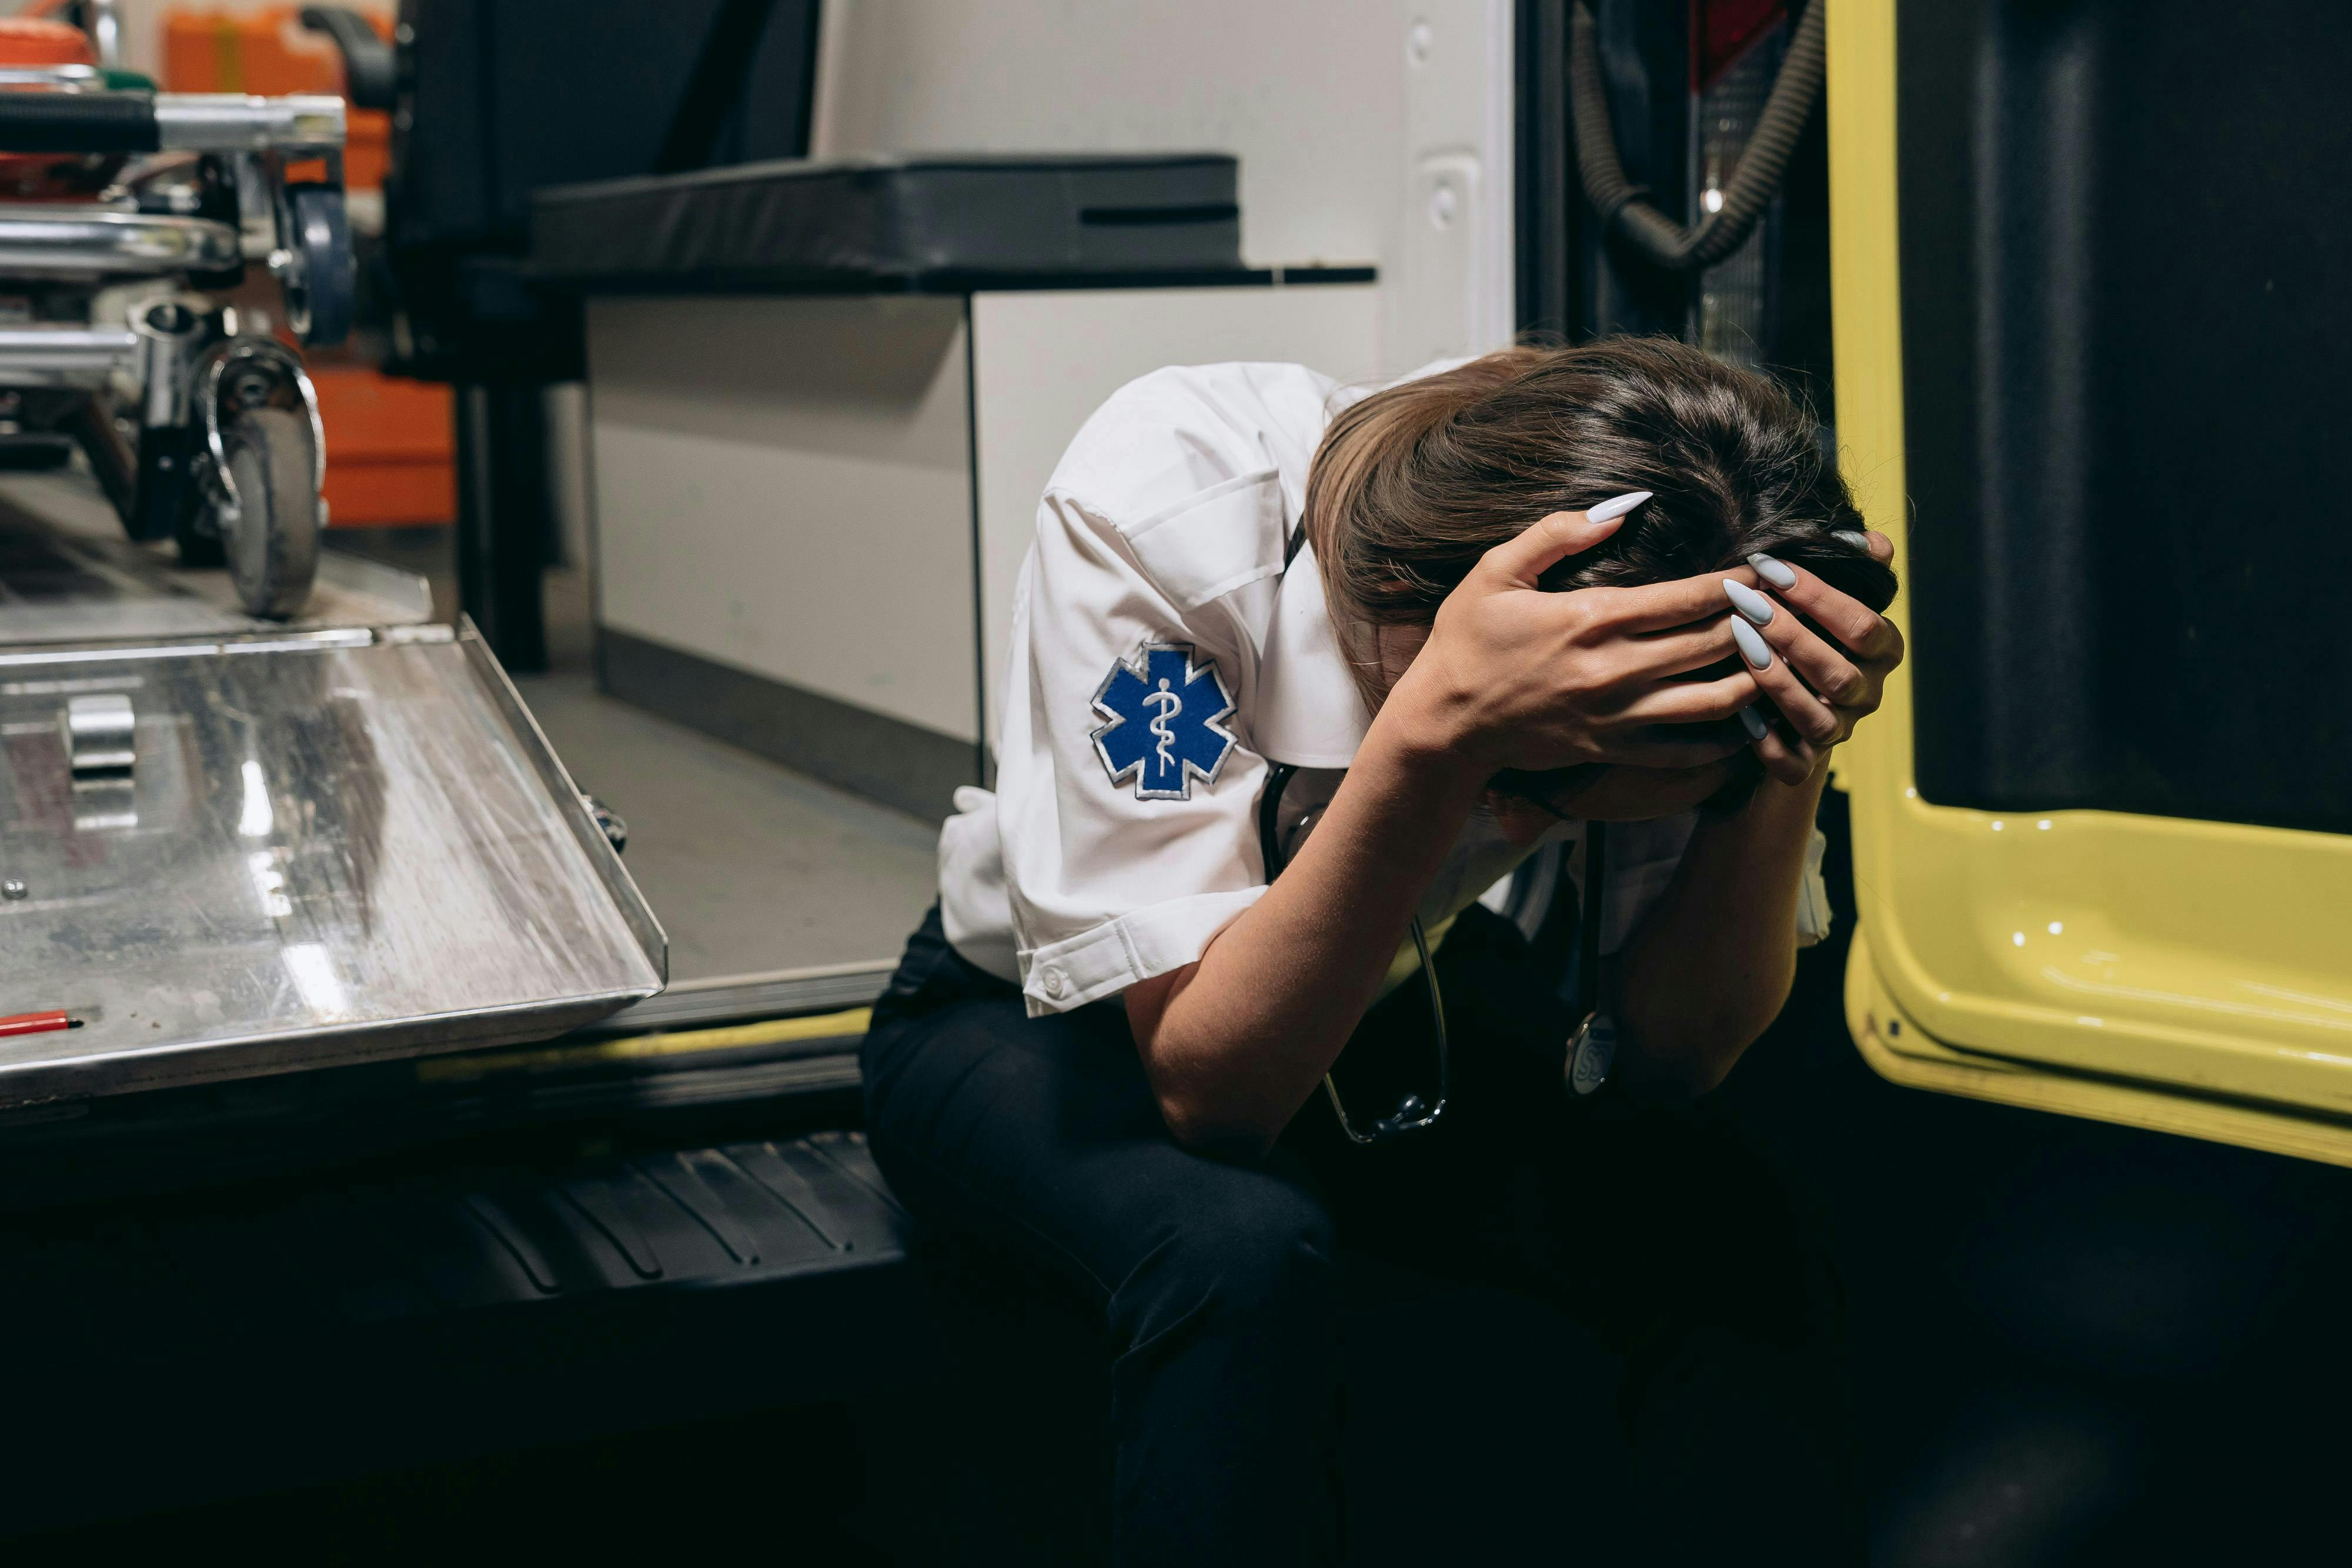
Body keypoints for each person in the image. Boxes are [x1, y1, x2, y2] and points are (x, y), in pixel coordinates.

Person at [860, 337, 1903, 1564]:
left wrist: (1786, 753)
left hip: (1395, 980)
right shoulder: (1168, 501)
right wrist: (1434, 738)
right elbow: (1213, 1089)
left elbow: (1674, 1054)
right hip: (1030, 1016)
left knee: (1732, 1204)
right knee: (1236, 1249)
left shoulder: (1657, 555)